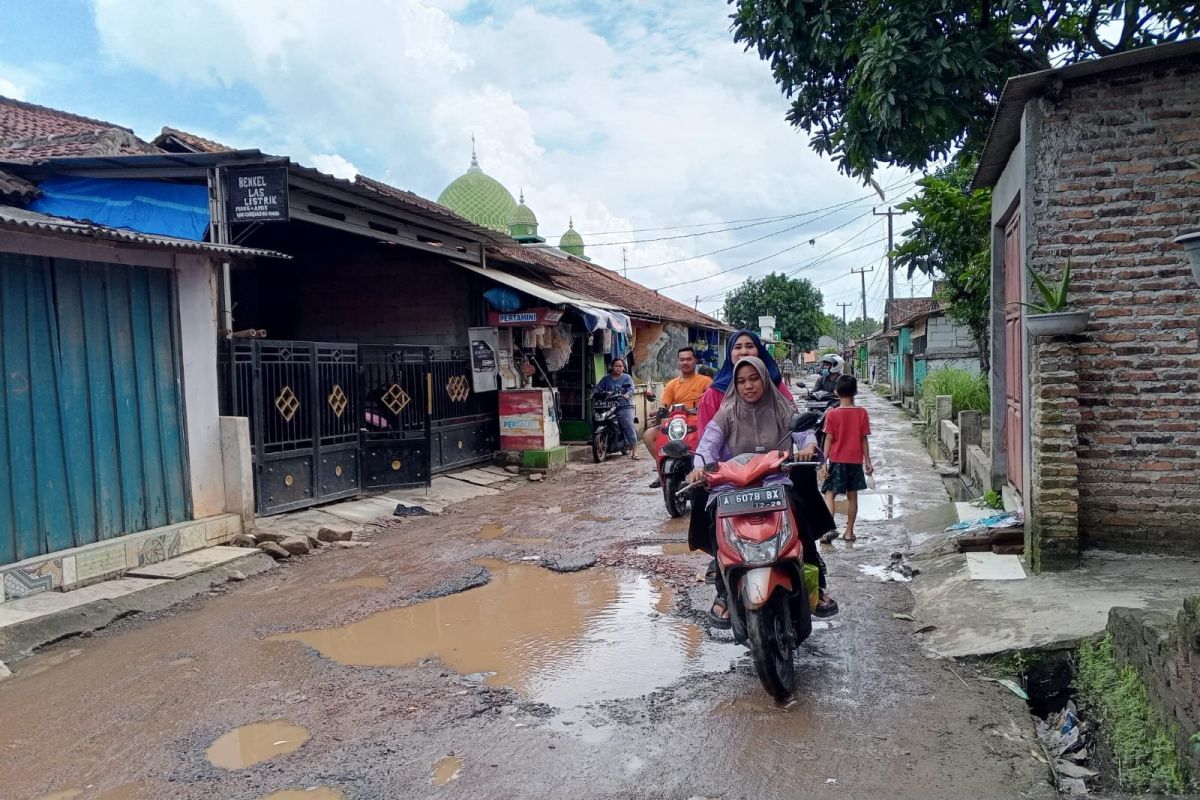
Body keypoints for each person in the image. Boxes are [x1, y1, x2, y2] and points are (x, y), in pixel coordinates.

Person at [687, 357, 837, 628]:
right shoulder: (726, 413)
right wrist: (698, 468)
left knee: (799, 517)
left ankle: (817, 584)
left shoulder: (781, 406)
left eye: (754, 379)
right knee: (715, 523)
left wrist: (807, 446)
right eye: (741, 381)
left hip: (774, 482)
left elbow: (803, 434)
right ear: (735, 384)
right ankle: (723, 591)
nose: (748, 386)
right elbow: (707, 445)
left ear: (764, 379)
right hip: (733, 486)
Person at [644, 346, 712, 487]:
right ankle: (660, 469)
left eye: (689, 359)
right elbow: (665, 404)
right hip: (678, 424)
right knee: (648, 435)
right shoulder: (672, 384)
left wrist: (697, 409)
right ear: (678, 362)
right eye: (682, 359)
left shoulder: (706, 382)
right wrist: (661, 411)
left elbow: (711, 403)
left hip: (698, 423)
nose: (685, 362)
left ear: (695, 361)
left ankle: (705, 469)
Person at [820, 374, 874, 541]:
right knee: (853, 496)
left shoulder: (832, 414)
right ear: (855, 392)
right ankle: (849, 532)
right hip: (855, 462)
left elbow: (828, 439)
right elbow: (863, 438)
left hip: (837, 461)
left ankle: (829, 528)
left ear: (836, 392)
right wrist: (868, 461)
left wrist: (823, 462)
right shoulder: (862, 413)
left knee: (830, 494)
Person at [594, 357, 639, 459]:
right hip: (608, 406)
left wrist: (627, 394)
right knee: (597, 418)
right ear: (612, 367)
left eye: (620, 366)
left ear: (623, 367)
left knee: (628, 425)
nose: (618, 368)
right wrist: (593, 393)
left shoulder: (627, 378)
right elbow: (598, 388)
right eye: (616, 366)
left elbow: (631, 389)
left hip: (624, 406)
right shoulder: (606, 378)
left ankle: (635, 451)